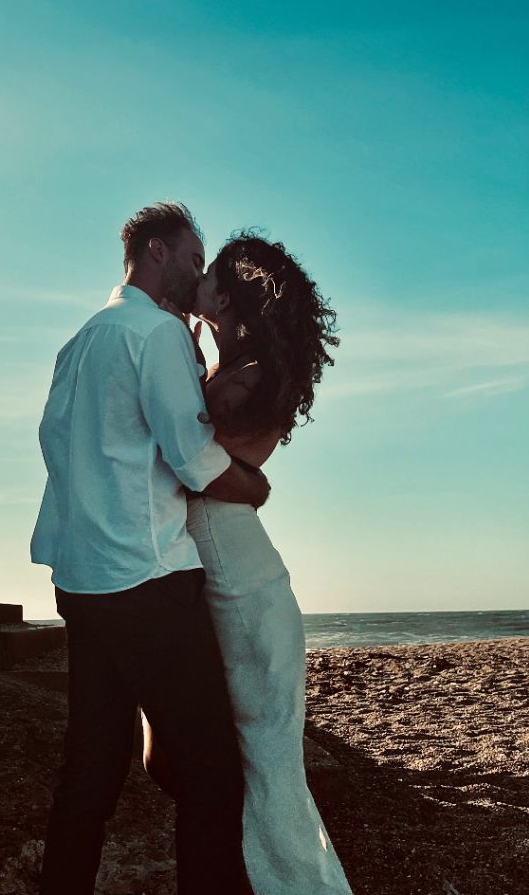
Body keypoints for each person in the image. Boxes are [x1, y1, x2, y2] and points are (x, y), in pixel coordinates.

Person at [31, 201, 270, 895]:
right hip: (145, 578)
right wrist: (255, 489)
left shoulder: (80, 339)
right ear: (158, 252)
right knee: (214, 773)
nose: (200, 274)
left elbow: (55, 446)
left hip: (82, 580)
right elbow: (194, 459)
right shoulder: (154, 333)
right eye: (194, 259)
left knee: (92, 767)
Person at [143, 230, 352, 893]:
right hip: (215, 567)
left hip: (241, 582)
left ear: (226, 294)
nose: (196, 278)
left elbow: (195, 465)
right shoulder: (225, 362)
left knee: (266, 771)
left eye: (207, 274)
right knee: (184, 757)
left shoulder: (255, 375)